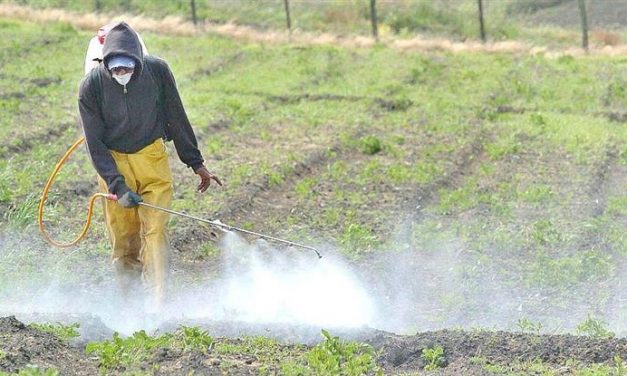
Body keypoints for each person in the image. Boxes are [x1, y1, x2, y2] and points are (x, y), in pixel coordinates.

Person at [78, 21, 222, 309]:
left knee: (155, 231)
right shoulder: (91, 87)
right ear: (106, 65)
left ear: (138, 62)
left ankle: (158, 305)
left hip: (152, 157)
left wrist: (196, 163)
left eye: (127, 68)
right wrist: (118, 186)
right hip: (114, 163)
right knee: (124, 237)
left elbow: (176, 116)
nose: (122, 74)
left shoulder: (157, 72)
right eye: (115, 69)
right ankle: (130, 305)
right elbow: (95, 145)